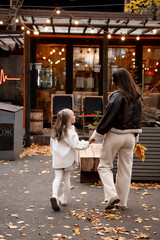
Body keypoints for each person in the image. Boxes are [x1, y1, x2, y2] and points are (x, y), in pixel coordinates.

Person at [89, 68, 142, 210]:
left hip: (115, 135)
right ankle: (122, 202)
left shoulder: (117, 97)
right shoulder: (137, 97)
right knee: (125, 170)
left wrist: (97, 135)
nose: (112, 82)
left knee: (104, 166)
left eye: (113, 79)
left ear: (117, 81)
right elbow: (138, 120)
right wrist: (136, 138)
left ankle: (112, 196)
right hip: (131, 137)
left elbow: (108, 118)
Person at [50, 108, 89, 211]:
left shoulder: (55, 131)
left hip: (58, 159)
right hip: (68, 159)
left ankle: (54, 195)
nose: (75, 117)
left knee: (57, 177)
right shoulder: (70, 132)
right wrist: (87, 143)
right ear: (68, 120)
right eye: (73, 116)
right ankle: (64, 198)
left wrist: (54, 154)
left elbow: (52, 146)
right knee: (67, 178)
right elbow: (77, 145)